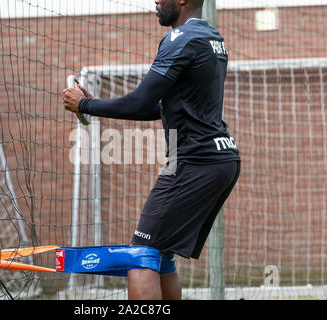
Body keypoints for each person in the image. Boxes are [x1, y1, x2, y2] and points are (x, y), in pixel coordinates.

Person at [62, 0, 240, 300]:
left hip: (195, 162)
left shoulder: (179, 39)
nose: (155, 1)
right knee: (161, 254)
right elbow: (162, 108)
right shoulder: (212, 38)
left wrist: (84, 105)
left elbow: (141, 102)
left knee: (140, 255)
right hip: (221, 159)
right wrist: (95, 106)